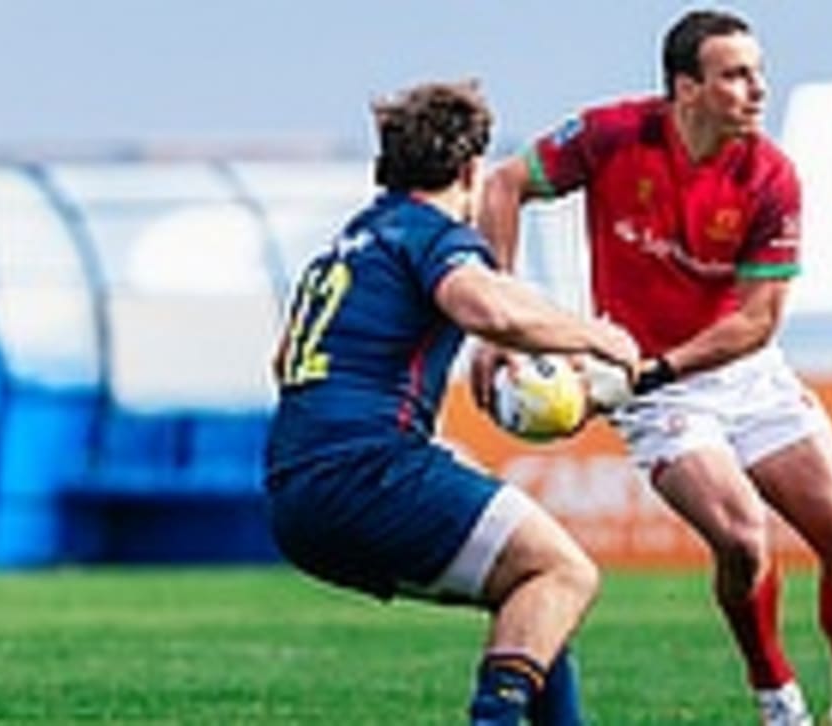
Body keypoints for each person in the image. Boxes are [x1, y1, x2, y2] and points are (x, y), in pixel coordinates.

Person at [473, 9, 832, 726]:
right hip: (660, 397)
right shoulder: (612, 135)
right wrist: (497, 324)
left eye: (758, 72)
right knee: (742, 537)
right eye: (735, 75)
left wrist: (650, 369)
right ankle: (776, 694)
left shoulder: (771, 176)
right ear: (684, 88)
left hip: (736, 372)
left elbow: (756, 322)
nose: (758, 90)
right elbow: (503, 186)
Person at [264, 80, 639, 726]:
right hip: (367, 473)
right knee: (564, 572)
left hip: (294, 490)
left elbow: (285, 363)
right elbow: (486, 304)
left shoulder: (351, 242)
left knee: (534, 595)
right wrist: (595, 335)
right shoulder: (434, 234)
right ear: (470, 169)